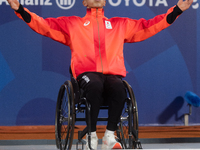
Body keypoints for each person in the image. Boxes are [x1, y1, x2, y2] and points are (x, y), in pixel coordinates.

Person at [7, 0, 193, 149]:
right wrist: (20, 9)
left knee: (120, 89)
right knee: (95, 85)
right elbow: (44, 25)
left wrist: (176, 10)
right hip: (86, 74)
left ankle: (109, 137)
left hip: (112, 74)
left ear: (105, 2)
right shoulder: (72, 24)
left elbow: (149, 26)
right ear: (84, 3)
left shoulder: (120, 24)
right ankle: (91, 135)